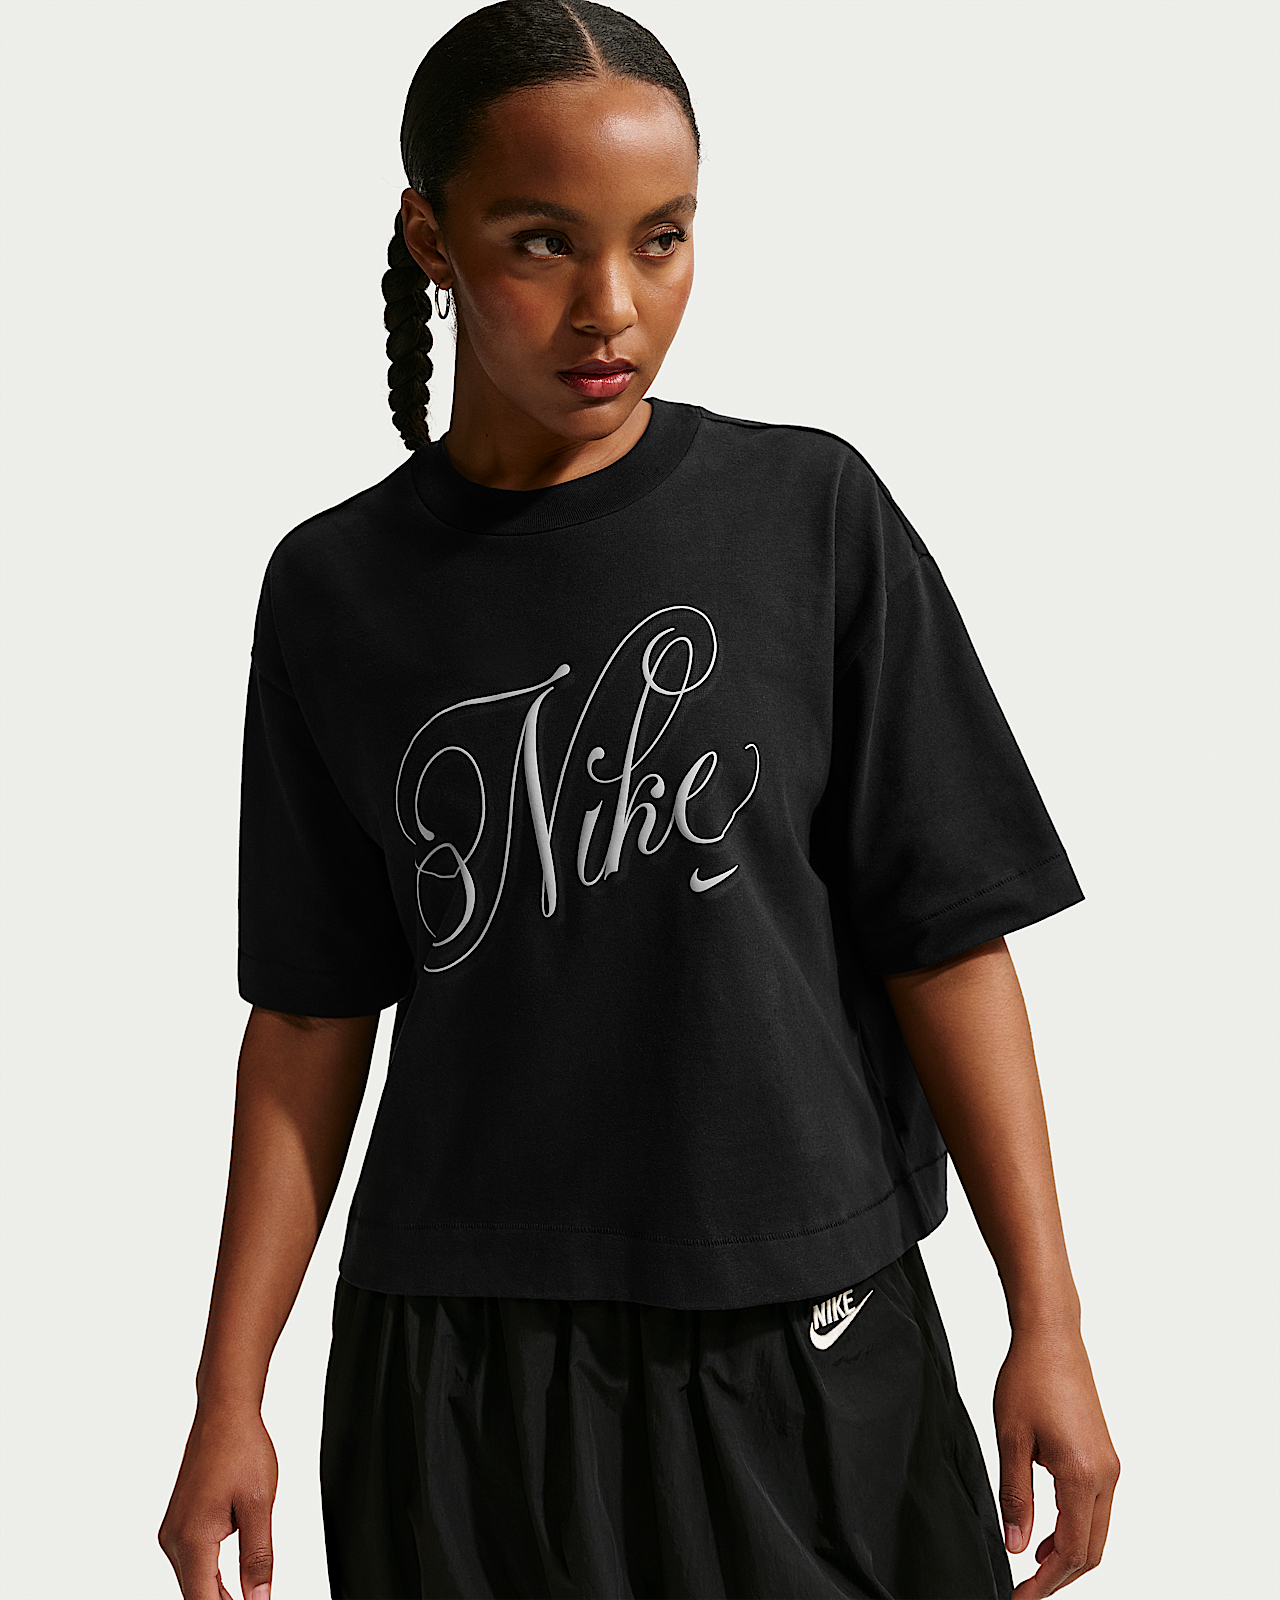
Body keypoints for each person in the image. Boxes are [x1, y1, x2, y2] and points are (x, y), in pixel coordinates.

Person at [158, 3, 1120, 1597]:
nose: (611, 306)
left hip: (805, 1332)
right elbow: (312, 1021)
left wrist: (1052, 1325)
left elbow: (947, 943)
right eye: (543, 242)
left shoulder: (809, 513)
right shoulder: (335, 589)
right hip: (462, 1369)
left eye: (661, 240)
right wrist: (225, 1396)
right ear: (432, 238)